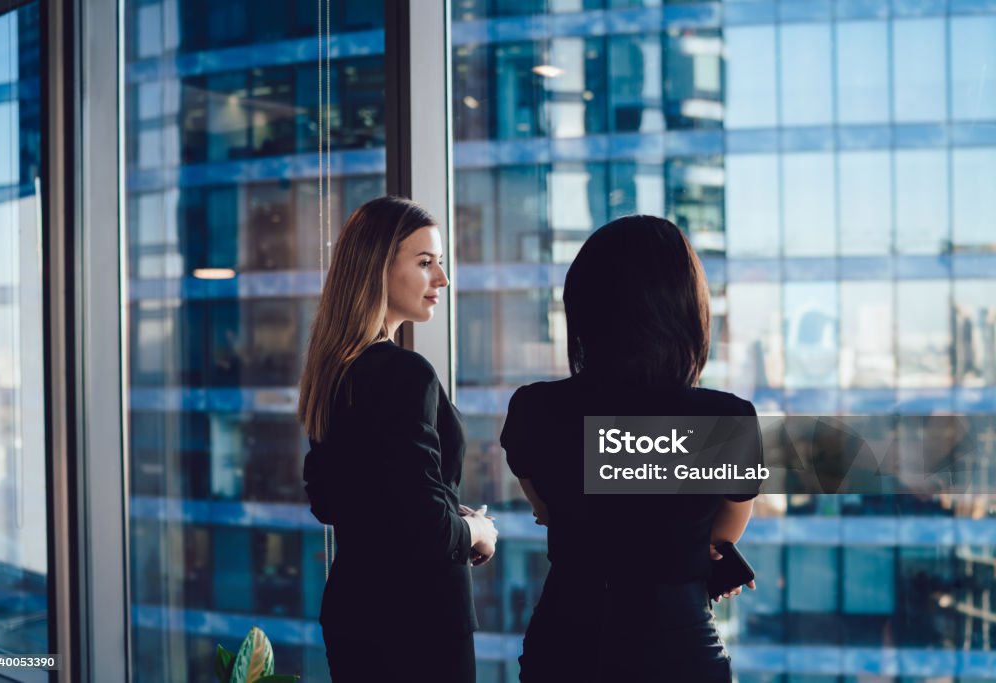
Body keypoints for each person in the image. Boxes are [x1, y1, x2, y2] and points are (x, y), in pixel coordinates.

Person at [500, 215, 760, 682]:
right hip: (676, 643)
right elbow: (723, 533)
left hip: (565, 640)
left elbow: (548, 508)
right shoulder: (724, 419)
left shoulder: (535, 407)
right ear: (686, 310)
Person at [298, 196, 498, 682]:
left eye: (441, 264)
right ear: (375, 268)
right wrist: (475, 531)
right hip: (419, 624)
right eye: (425, 263)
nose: (441, 280)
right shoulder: (404, 373)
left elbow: (333, 502)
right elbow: (426, 526)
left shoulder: (337, 372)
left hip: (356, 615)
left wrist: (444, 513)